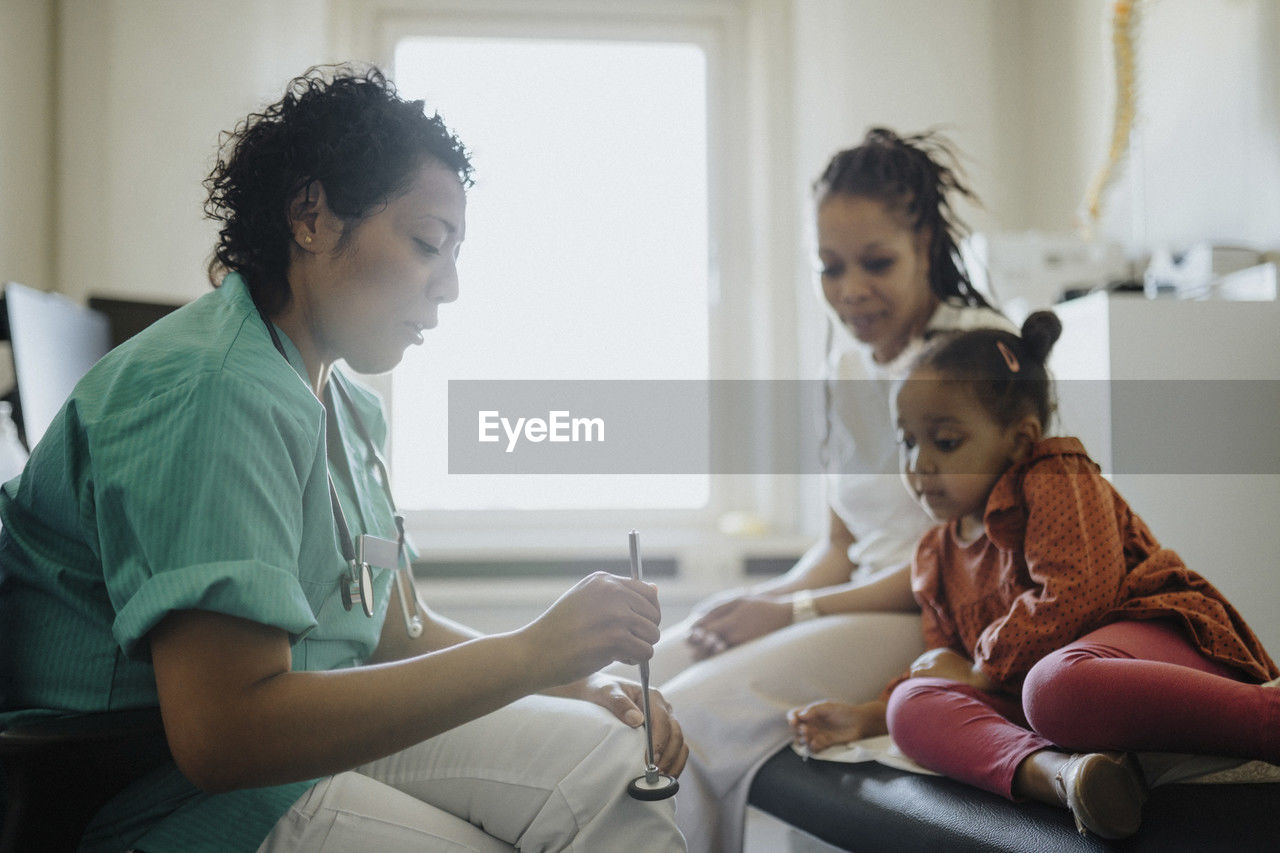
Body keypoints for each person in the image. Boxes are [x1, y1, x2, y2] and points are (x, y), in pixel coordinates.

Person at [0, 66, 687, 853]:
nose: (451, 287)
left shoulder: (345, 406)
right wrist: (529, 650)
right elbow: (224, 735)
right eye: (429, 243)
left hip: (310, 738)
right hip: (155, 794)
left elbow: (393, 633)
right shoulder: (214, 392)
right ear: (311, 216)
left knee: (615, 754)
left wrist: (571, 677)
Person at [625, 128, 1013, 852]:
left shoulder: (980, 351)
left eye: (877, 263)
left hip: (937, 614)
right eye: (829, 267)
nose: (850, 291)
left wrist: (790, 609)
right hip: (857, 595)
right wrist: (761, 604)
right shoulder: (846, 356)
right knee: (632, 690)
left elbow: (964, 563)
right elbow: (841, 545)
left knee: (686, 717)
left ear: (926, 243)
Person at [788, 311, 1279, 839]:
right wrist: (870, 716)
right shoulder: (934, 556)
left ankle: (1266, 716)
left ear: (1020, 440)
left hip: (1147, 633)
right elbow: (950, 664)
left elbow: (1079, 596)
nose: (919, 464)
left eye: (945, 442)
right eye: (907, 442)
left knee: (1053, 687)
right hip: (1042, 702)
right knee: (913, 704)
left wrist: (979, 669)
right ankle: (1072, 777)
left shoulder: (1054, 477)